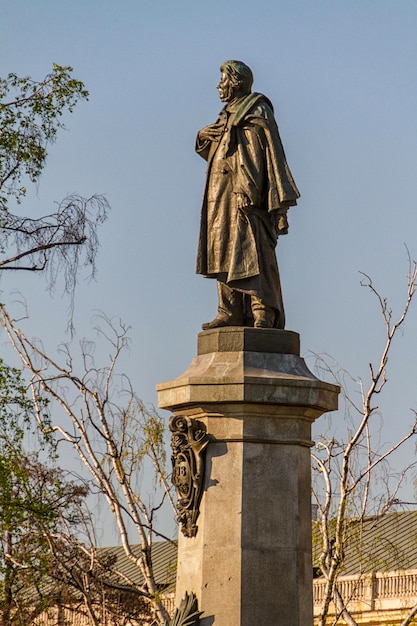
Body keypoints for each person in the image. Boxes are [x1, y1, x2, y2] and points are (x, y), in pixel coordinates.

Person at [196, 60, 300, 330]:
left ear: (237, 82)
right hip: (220, 197)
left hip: (246, 194)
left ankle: (261, 310)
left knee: (252, 249)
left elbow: (258, 153)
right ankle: (228, 311)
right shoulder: (226, 114)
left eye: (223, 79)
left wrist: (249, 189)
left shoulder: (255, 110)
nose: (219, 85)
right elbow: (220, 151)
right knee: (221, 248)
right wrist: (203, 137)